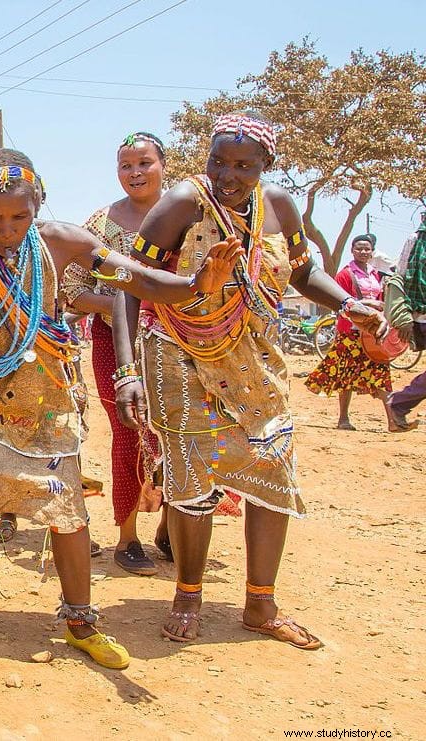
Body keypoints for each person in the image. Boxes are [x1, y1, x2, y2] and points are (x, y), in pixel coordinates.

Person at [0, 147, 244, 668]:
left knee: (66, 511)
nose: (6, 228)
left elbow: (136, 279)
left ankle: (80, 619)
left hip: (49, 402)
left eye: (19, 216)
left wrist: (193, 285)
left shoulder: (63, 243)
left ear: (38, 204)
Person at [113, 112, 386, 650]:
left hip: (256, 358)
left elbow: (305, 274)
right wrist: (127, 372)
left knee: (272, 468)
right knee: (192, 480)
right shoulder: (181, 205)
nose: (228, 174)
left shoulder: (279, 209)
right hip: (180, 356)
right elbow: (129, 282)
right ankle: (187, 596)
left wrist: (352, 305)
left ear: (267, 165)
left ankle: (261, 603)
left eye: (243, 165)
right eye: (219, 161)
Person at [61, 132, 167, 575]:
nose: (135, 173)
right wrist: (126, 306)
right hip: (114, 347)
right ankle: (128, 538)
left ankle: (171, 531)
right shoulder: (100, 224)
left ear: (164, 165)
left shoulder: (187, 215)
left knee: (180, 436)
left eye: (144, 163)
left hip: (181, 346)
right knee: (129, 434)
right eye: (126, 166)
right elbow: (71, 291)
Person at [304, 234, 399, 430]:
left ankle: (393, 420)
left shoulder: (376, 274)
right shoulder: (345, 275)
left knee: (380, 373)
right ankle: (344, 419)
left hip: (372, 333)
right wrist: (368, 303)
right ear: (352, 251)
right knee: (346, 376)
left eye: (367, 249)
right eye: (359, 248)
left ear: (372, 251)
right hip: (351, 333)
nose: (363, 252)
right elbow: (340, 302)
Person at [386, 215, 426, 430]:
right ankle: (399, 403)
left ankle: (399, 404)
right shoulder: (416, 239)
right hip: (422, 312)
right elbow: (400, 275)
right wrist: (403, 316)